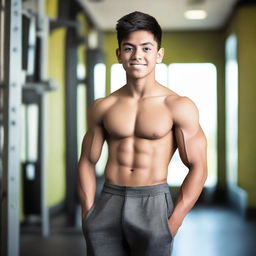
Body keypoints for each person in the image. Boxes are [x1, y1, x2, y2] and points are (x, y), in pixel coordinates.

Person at [77, 11, 207, 256]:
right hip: (108, 200)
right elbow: (86, 160)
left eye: (146, 48)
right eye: (129, 48)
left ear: (159, 55)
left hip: (153, 203)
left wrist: (174, 221)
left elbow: (198, 166)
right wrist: (88, 212)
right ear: (119, 55)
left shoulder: (178, 105)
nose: (137, 55)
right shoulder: (103, 106)